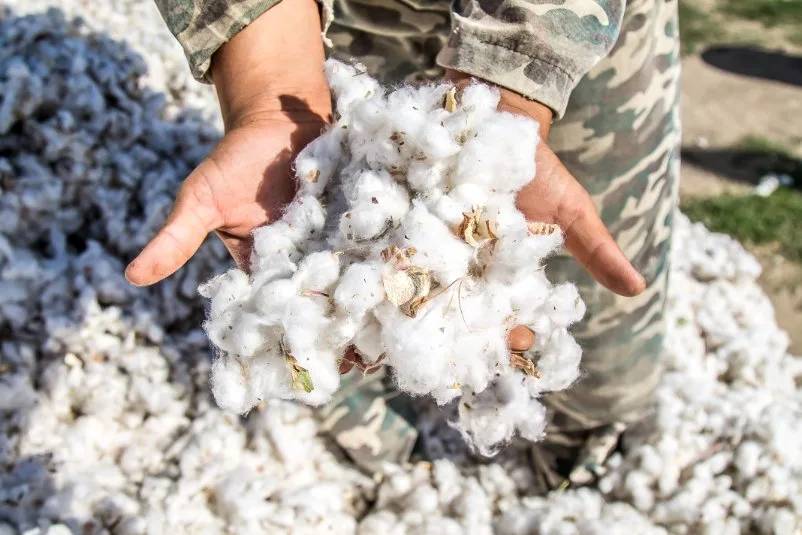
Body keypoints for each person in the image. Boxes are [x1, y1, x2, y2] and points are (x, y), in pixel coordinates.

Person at [128, 0, 680, 490]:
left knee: (605, 346)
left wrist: (517, 90)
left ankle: (577, 457)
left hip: (569, 25)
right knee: (344, 351)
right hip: (347, 19)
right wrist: (271, 94)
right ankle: (390, 460)